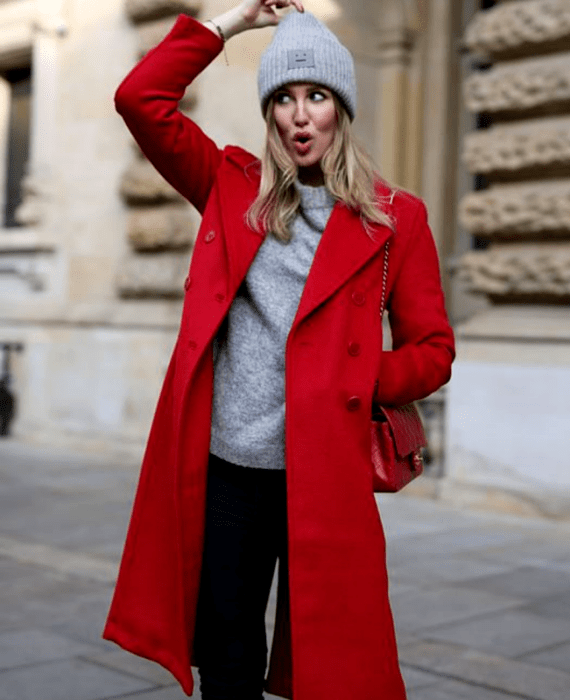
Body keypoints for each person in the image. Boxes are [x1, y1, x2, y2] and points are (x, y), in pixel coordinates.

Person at [103, 2, 455, 699]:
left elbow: (433, 350)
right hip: (229, 469)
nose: (300, 116)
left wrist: (359, 376)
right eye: (283, 99)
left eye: (316, 96)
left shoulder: (396, 218)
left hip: (324, 473)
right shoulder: (229, 186)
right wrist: (230, 23)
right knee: (227, 660)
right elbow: (139, 99)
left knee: (333, 667)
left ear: (340, 109)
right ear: (268, 114)